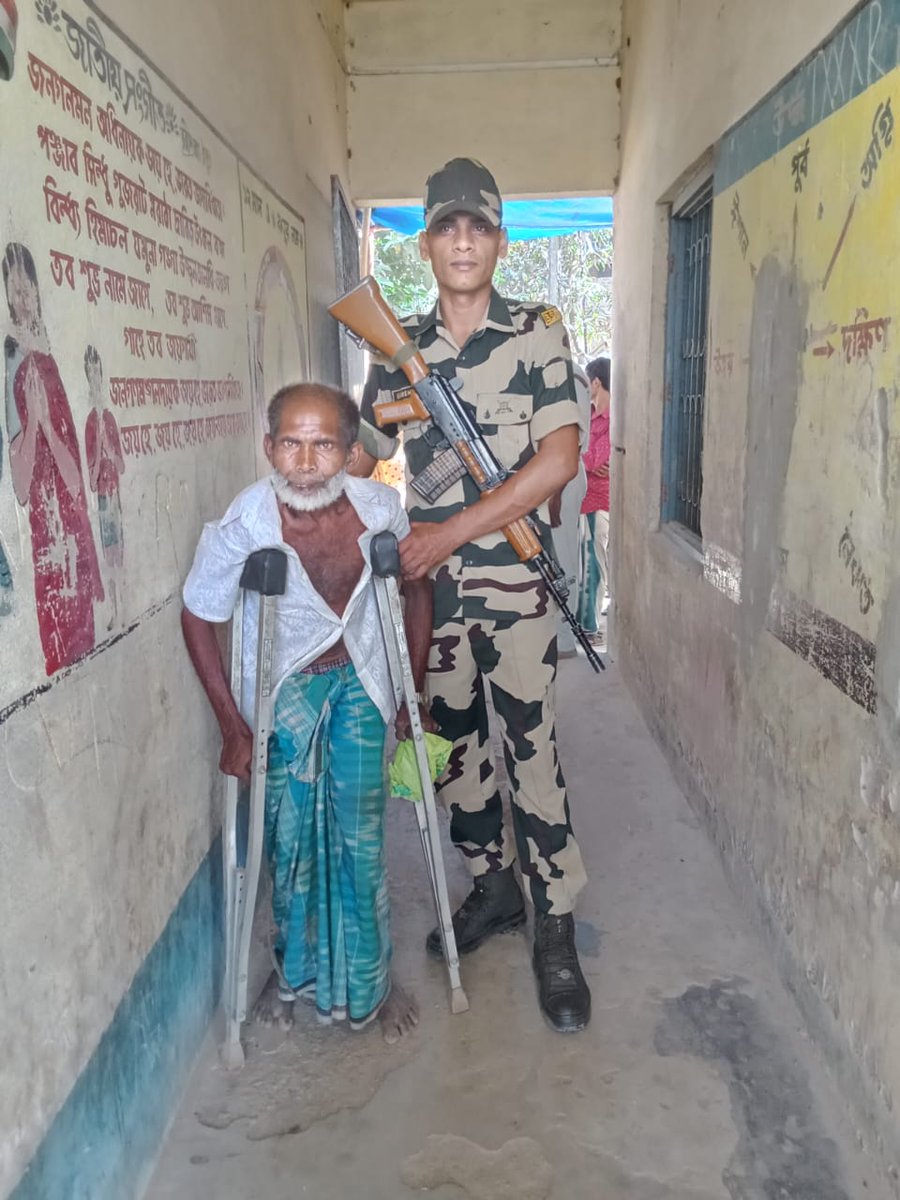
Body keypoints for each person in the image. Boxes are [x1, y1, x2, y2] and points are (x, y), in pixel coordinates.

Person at [355, 158, 591, 1032]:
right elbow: (355, 449)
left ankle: (555, 923)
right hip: (432, 598)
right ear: (426, 243)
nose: (462, 241)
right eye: (447, 228)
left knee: (531, 748)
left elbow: (558, 460)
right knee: (450, 749)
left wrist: (452, 530)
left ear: (498, 239)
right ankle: (493, 887)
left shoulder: (537, 332)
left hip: (513, 588)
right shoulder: (396, 348)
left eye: (478, 228)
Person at [181, 382, 429, 1044]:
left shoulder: (379, 510)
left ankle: (373, 984)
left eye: (324, 445)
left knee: (362, 838)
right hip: (286, 687)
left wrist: (414, 686)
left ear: (351, 453)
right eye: (291, 443)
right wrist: (232, 724)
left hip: (362, 679)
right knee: (288, 844)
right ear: (269, 448)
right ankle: (290, 974)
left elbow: (419, 584)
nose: (306, 460)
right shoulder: (248, 522)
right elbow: (200, 613)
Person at [3, 241, 104, 674]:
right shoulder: (11, 364)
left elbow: (76, 477)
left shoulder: (49, 360)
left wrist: (46, 426)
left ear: (38, 291)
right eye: (13, 287)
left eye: (27, 286)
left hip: (75, 539)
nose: (21, 297)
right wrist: (35, 429)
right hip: (47, 542)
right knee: (60, 656)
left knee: (87, 648)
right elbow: (21, 488)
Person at [549, 365, 591, 657]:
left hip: (562, 480)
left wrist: (556, 494)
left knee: (563, 558)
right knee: (553, 558)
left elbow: (571, 444)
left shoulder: (568, 375)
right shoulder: (550, 370)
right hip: (551, 478)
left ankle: (564, 637)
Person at [84, 345, 125, 629]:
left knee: (119, 554)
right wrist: (99, 450)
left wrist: (110, 448)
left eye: (98, 372)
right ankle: (114, 608)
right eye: (91, 374)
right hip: (102, 498)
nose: (96, 379)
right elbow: (90, 478)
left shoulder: (109, 419)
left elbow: (121, 467)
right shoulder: (90, 423)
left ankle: (123, 605)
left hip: (115, 497)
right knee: (108, 556)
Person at [578, 356, 611, 635]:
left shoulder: (613, 419)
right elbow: (588, 458)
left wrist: (580, 456)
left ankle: (590, 626)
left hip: (601, 502)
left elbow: (599, 460)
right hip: (584, 500)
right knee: (586, 565)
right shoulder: (587, 415)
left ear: (596, 382)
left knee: (595, 567)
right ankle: (585, 623)